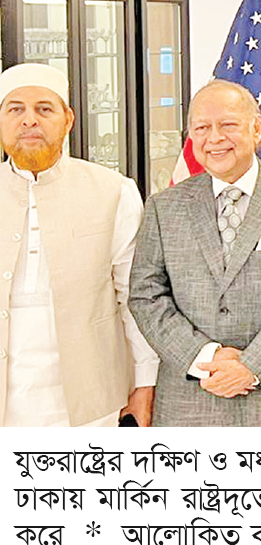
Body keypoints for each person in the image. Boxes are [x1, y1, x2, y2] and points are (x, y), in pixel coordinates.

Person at [129, 79, 261, 426]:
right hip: (189, 402)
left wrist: (252, 366)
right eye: (201, 128)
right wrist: (206, 357)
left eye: (228, 125)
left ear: (256, 129)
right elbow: (145, 295)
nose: (214, 138)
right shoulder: (164, 207)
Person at [0, 63, 158, 427]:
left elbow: (134, 298)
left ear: (68, 119)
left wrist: (144, 384)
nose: (29, 120)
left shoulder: (113, 191)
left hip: (90, 404)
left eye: (44, 109)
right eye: (15, 109)